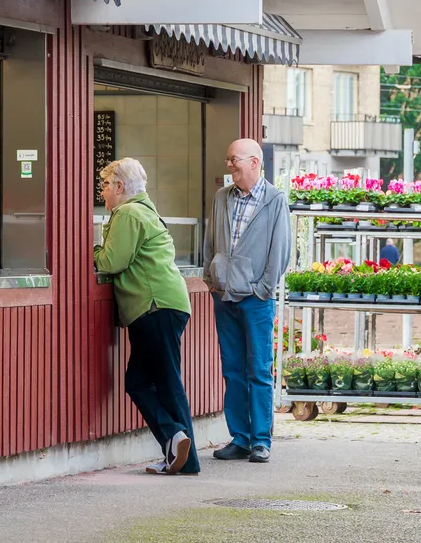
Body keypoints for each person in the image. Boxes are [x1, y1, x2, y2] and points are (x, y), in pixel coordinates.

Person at [94, 158, 199, 475]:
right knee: (142, 381)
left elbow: (111, 261)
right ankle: (175, 445)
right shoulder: (146, 210)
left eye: (105, 186)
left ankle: (184, 454)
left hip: (152, 306)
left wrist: (93, 250)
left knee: (164, 383)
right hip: (165, 304)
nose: (103, 193)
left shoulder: (127, 212)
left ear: (120, 187)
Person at [204, 138, 291, 464]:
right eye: (228, 159)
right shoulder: (222, 197)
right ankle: (239, 438)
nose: (228, 166)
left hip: (255, 300)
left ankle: (260, 441)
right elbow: (211, 241)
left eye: (234, 160)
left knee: (258, 371)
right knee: (233, 370)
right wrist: (211, 278)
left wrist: (263, 289)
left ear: (254, 162)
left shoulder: (274, 200)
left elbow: (280, 250)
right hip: (224, 296)